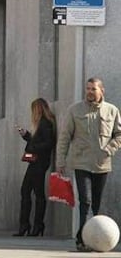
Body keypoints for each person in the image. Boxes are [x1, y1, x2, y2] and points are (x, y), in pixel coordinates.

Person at [56, 77, 121, 251]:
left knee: (97, 203)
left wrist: (110, 149)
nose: (90, 92)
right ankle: (81, 239)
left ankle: (93, 236)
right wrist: (60, 161)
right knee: (86, 200)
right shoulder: (75, 110)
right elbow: (64, 137)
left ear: (102, 91)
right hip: (81, 162)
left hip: (102, 164)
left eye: (93, 89)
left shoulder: (112, 111)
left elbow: (119, 134)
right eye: (88, 89)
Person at [13, 98, 56, 237]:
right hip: (36, 161)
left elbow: (48, 143)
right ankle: (29, 225)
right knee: (28, 191)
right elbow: (39, 140)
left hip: (39, 161)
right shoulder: (43, 123)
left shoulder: (45, 123)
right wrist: (26, 136)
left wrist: (33, 147)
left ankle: (34, 225)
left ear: (38, 109)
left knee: (34, 193)